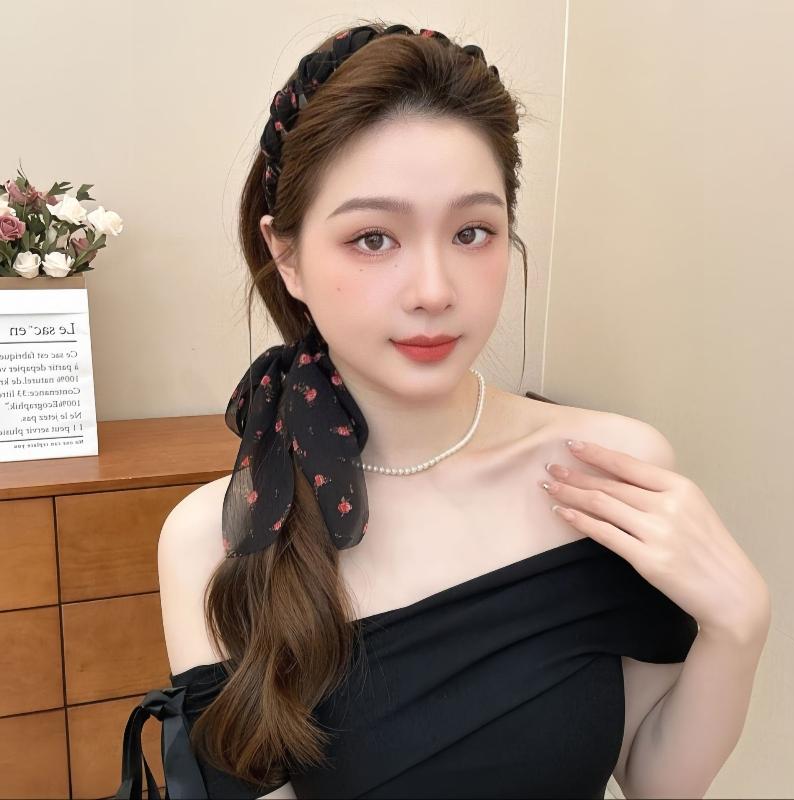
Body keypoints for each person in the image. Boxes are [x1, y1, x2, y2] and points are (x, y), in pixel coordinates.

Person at [115, 22, 697, 800]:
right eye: (373, 239)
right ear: (287, 257)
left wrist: (740, 627)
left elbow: (657, 780)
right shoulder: (214, 542)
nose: (433, 290)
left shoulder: (607, 472)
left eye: (471, 232)